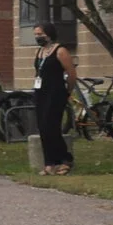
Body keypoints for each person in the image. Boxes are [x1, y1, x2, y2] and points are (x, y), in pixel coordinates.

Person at [34, 26, 77, 175]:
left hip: (56, 93)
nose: (38, 37)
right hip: (41, 92)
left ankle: (65, 159)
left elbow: (71, 74)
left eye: (40, 34)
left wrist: (68, 91)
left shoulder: (60, 51)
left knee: (51, 126)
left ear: (49, 34)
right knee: (43, 128)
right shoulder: (39, 52)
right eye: (36, 34)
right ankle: (49, 162)